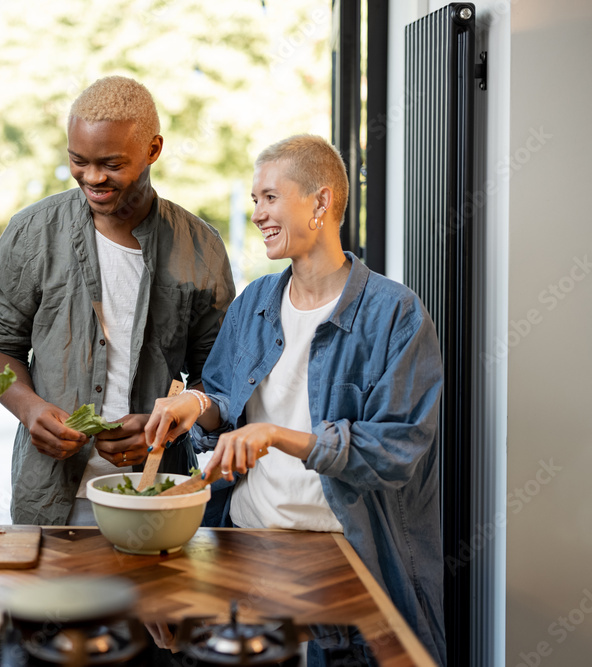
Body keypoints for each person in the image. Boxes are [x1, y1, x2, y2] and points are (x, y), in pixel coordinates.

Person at [144, 135, 446, 665]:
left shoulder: (395, 314)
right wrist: (195, 403)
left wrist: (278, 436)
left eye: (269, 198)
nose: (258, 213)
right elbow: (223, 399)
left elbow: (398, 449)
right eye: (255, 200)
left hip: (341, 557)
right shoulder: (255, 302)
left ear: (321, 202)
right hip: (243, 544)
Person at [0, 76, 235, 525]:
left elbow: (216, 382)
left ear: (153, 150)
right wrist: (29, 409)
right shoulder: (32, 233)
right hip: (49, 501)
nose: (93, 177)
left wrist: (168, 428)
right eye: (78, 161)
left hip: (156, 494)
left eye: (112, 164)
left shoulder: (202, 248)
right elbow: (2, 348)